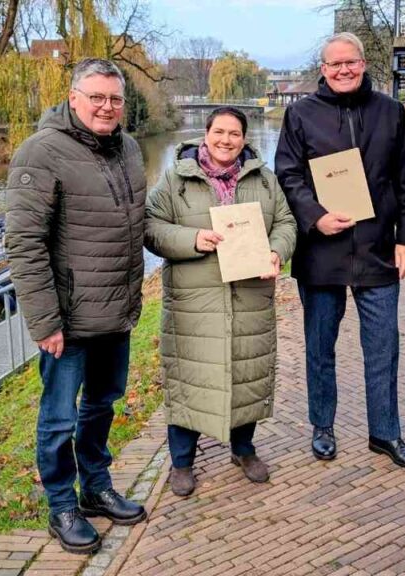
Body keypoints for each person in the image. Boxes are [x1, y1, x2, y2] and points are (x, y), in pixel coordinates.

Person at [5, 58, 147, 554]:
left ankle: (96, 487)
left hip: (118, 311)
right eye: (97, 97)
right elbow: (24, 244)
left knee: (102, 405)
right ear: (73, 98)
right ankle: (61, 504)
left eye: (115, 99)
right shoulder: (40, 153)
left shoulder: (128, 148)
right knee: (59, 417)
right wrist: (45, 321)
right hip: (68, 320)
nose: (107, 107)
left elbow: (136, 223)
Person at [274, 32, 405, 468]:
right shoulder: (300, 114)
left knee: (383, 348)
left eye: (350, 63)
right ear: (323, 69)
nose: (343, 70)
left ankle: (386, 433)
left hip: (378, 250)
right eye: (334, 64)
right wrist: (315, 216)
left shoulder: (390, 112)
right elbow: (288, 174)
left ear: (363, 64)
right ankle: (322, 426)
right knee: (320, 347)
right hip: (322, 252)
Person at [145, 107, 297, 497]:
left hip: (249, 296)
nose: (226, 140)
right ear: (205, 133)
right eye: (219, 132)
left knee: (246, 374)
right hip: (195, 301)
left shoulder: (263, 179)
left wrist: (278, 251)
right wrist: (192, 240)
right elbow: (151, 227)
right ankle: (182, 462)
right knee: (189, 378)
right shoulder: (176, 178)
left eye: (234, 134)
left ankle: (243, 449)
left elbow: (286, 223)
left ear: (244, 139)